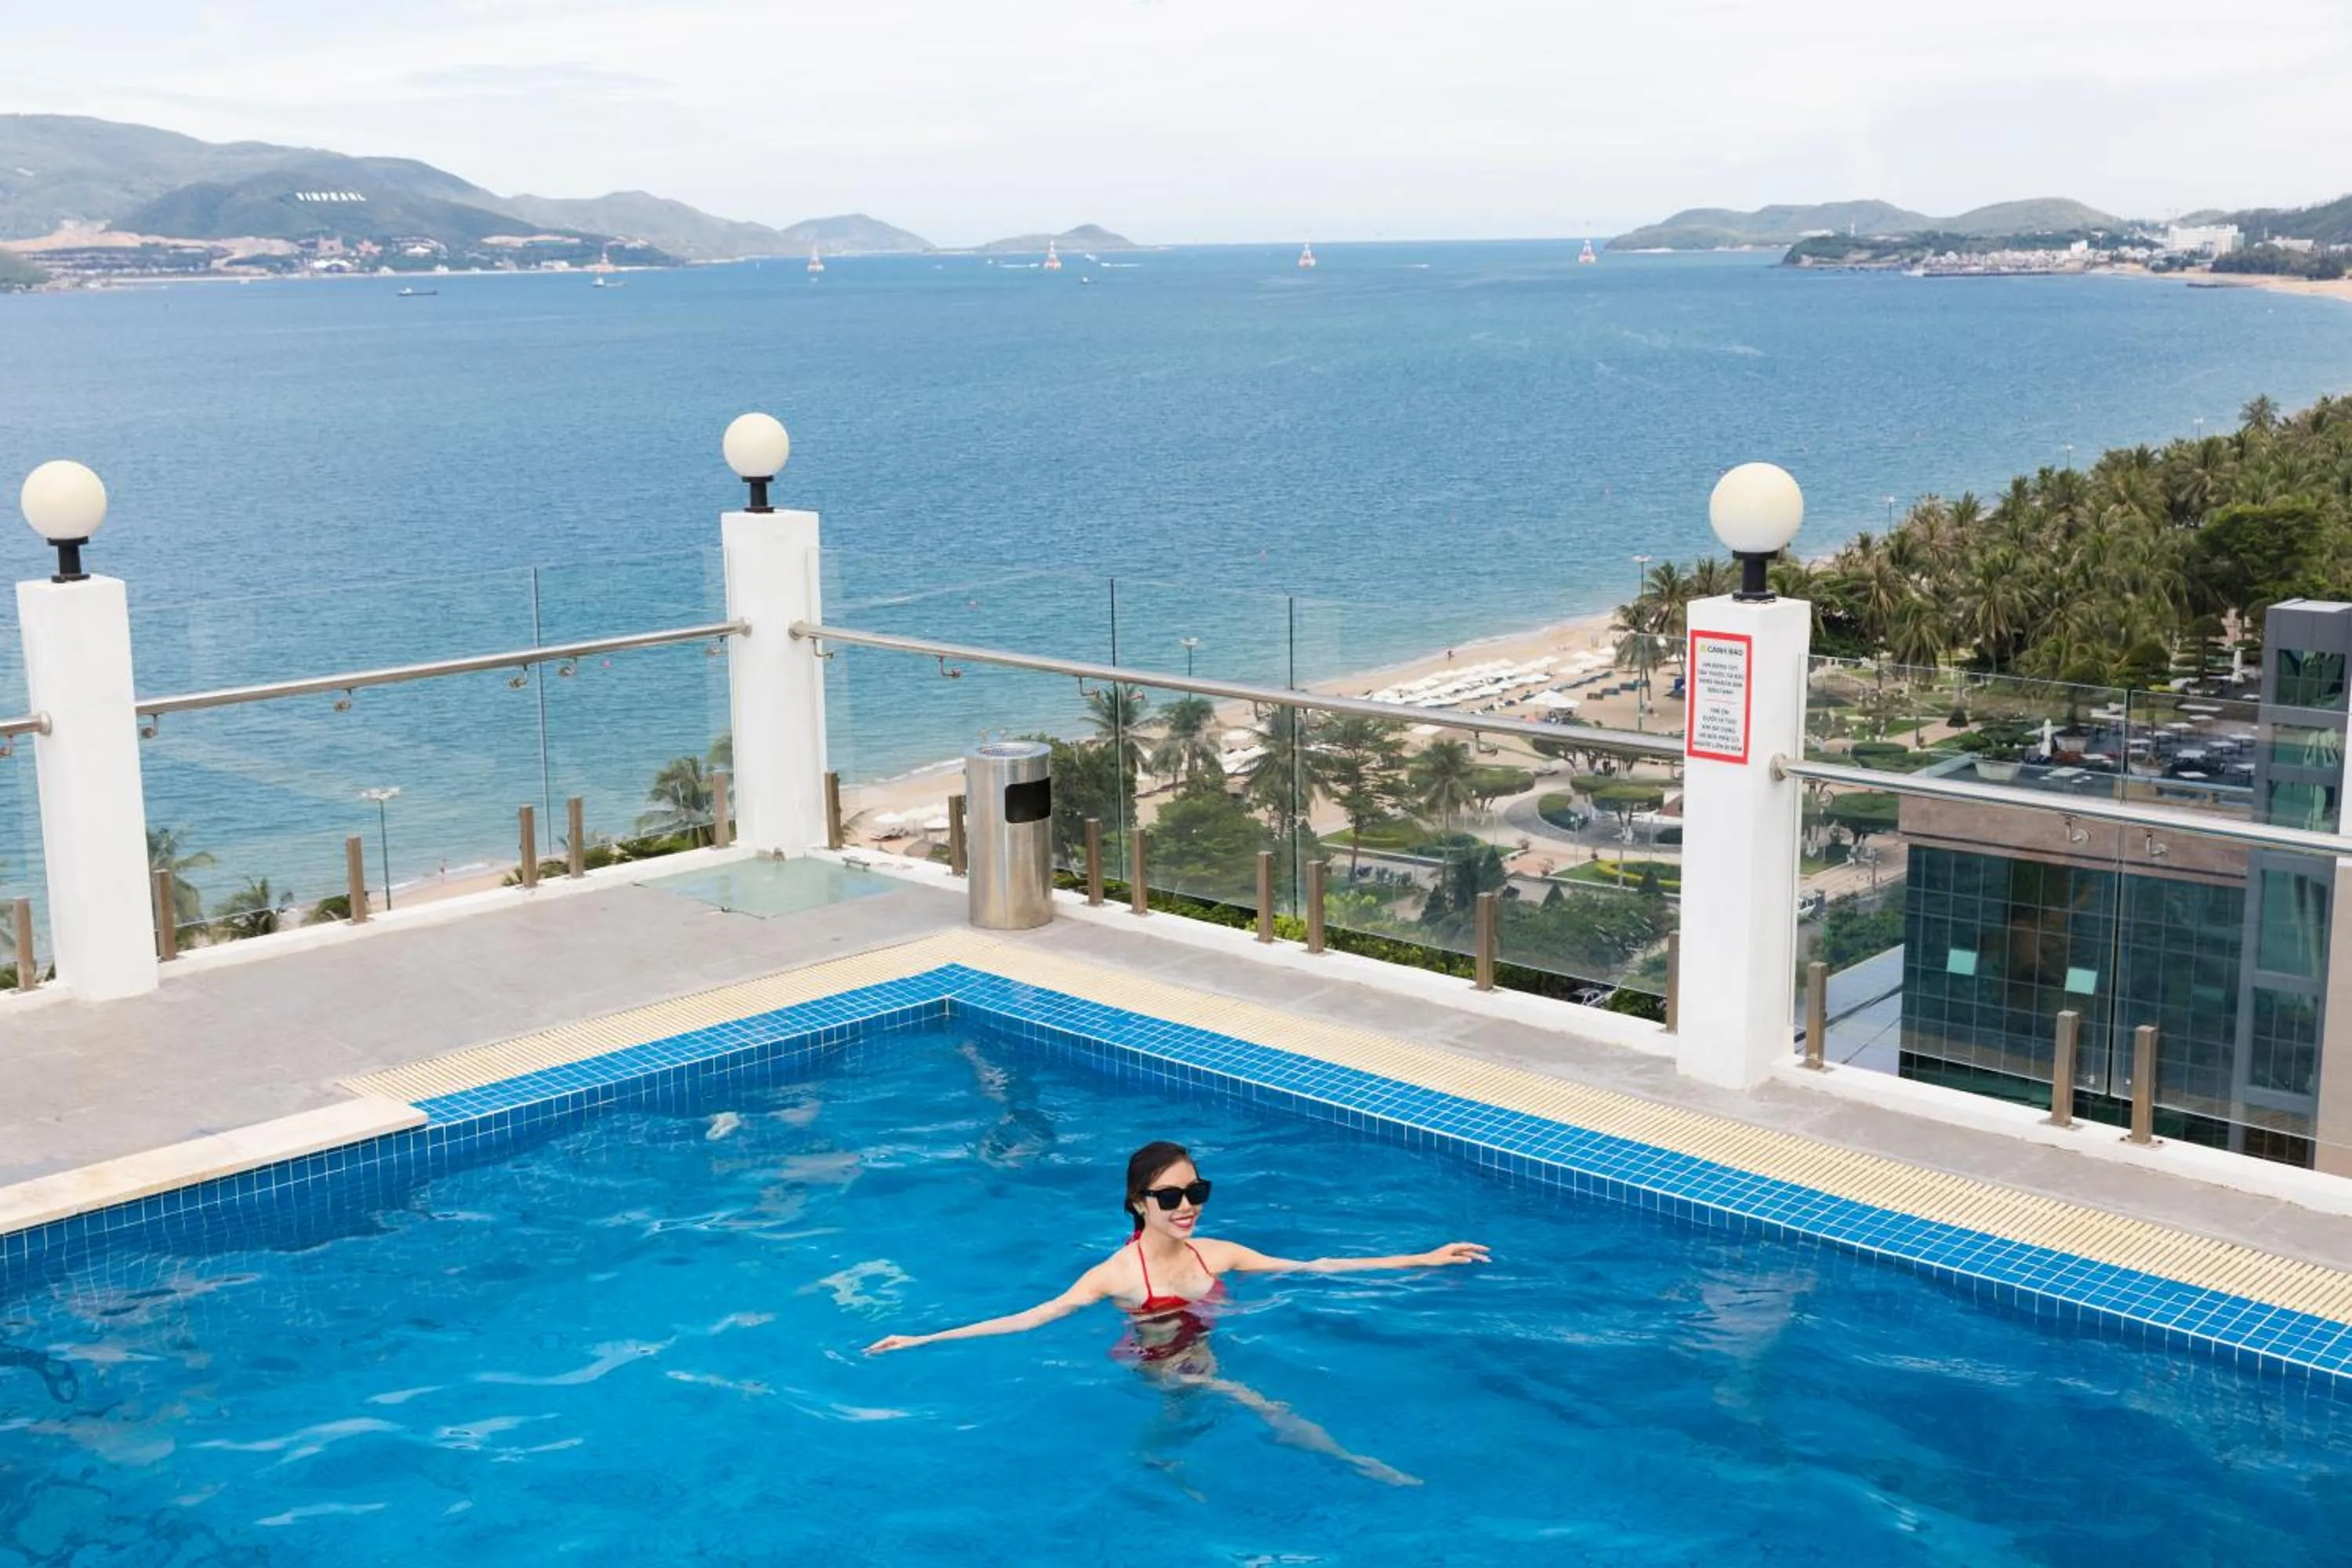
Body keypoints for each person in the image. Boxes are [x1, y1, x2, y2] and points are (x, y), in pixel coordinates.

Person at [864, 1142, 1485, 1483]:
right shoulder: (1116, 1276)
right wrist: (922, 1338)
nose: (1187, 1205)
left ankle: (1154, 1459)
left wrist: (1420, 1258)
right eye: (1170, 1196)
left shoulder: (1220, 1252)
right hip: (1159, 1359)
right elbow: (1033, 1317)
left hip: (1200, 1346)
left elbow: (1313, 1266)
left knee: (1181, 1422)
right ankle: (1353, 1463)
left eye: (1196, 1192)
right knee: (1258, 1403)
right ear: (1139, 1203)